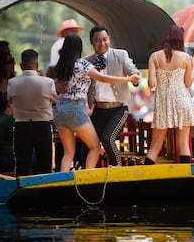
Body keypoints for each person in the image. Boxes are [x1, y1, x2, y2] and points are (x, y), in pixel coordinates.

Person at [53, 33, 139, 172]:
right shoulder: (82, 64)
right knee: (95, 146)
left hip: (60, 110)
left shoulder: (61, 66)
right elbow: (103, 78)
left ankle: (64, 183)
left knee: (68, 153)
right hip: (76, 109)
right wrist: (127, 79)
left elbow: (58, 87)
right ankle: (87, 178)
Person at [84, 25, 142, 166]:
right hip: (97, 109)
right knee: (89, 143)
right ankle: (90, 175)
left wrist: (136, 78)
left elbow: (133, 70)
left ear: (109, 39)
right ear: (91, 41)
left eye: (105, 39)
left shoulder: (120, 55)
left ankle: (117, 170)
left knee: (107, 139)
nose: (102, 43)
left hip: (118, 108)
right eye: (97, 40)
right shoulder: (86, 61)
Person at [143, 25, 194, 165]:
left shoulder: (155, 56)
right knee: (183, 145)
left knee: (155, 146)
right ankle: (185, 179)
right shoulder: (186, 58)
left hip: (163, 102)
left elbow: (151, 83)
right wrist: (191, 67)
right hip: (182, 100)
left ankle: (143, 179)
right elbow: (187, 83)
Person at [7, 49, 58, 176]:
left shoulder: (12, 83)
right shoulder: (48, 82)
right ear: (36, 65)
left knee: (22, 165)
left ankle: (20, 192)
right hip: (42, 126)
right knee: (45, 165)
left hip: (21, 126)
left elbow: (10, 101)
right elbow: (55, 100)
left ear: (21, 65)